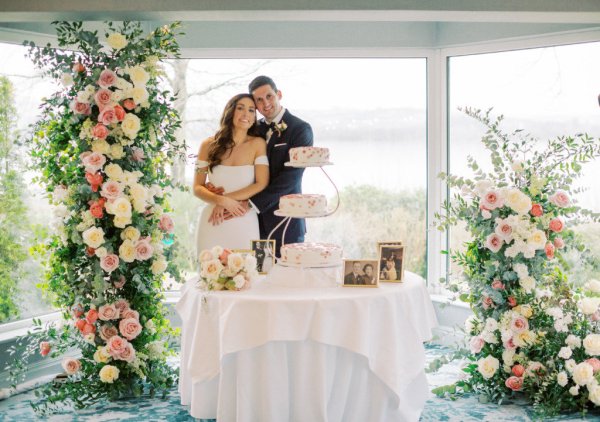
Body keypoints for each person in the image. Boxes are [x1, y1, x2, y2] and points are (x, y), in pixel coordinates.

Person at [193, 94, 269, 252]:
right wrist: (219, 201)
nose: (246, 114)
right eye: (240, 108)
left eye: (251, 110)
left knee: (247, 274)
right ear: (230, 111)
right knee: (210, 274)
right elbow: (197, 187)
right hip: (213, 222)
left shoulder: (258, 144)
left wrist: (226, 199)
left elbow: (261, 183)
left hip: (244, 220)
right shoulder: (207, 145)